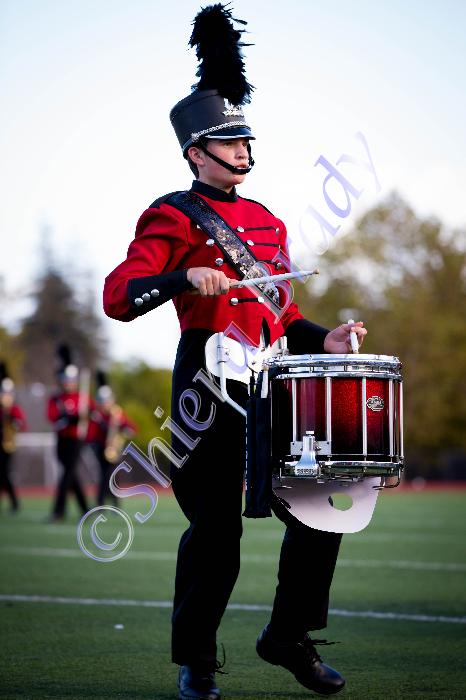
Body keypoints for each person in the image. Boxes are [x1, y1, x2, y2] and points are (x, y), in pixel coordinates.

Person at [103, 5, 366, 698]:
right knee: (216, 534)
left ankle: (287, 635)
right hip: (207, 385)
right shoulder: (171, 214)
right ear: (196, 152)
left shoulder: (270, 223)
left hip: (272, 383)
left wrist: (324, 338)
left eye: (245, 137)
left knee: (319, 508)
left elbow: (283, 314)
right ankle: (196, 661)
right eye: (228, 140)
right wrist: (181, 277)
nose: (243, 148)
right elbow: (118, 295)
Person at [47, 345, 92, 522]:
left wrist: (85, 414)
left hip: (76, 440)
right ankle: (86, 509)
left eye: (71, 380)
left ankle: (59, 511)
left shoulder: (82, 398)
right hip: (62, 440)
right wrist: (67, 418)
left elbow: (92, 414)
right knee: (71, 474)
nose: (69, 383)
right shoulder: (56, 398)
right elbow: (53, 418)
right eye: (66, 380)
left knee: (66, 474)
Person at [88, 371, 136, 506]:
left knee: (113, 475)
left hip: (114, 448)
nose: (105, 404)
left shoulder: (117, 413)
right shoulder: (96, 415)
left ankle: (114, 502)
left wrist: (125, 430)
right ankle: (101, 503)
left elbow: (131, 427)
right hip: (100, 447)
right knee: (104, 475)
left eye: (107, 401)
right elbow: (91, 432)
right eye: (103, 402)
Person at [0, 362, 27, 513]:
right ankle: (14, 503)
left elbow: (22, 425)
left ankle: (14, 502)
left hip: (7, 445)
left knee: (4, 473)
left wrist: (12, 419)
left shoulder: (14, 409)